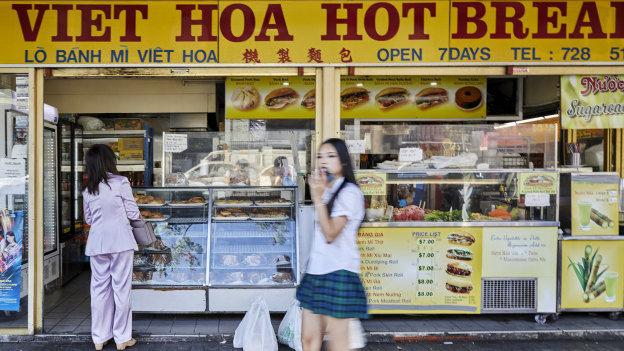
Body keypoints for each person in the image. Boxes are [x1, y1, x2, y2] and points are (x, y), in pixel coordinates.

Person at [296, 138, 367, 351]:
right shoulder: (327, 190)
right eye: (320, 156)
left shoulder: (349, 193)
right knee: (308, 340)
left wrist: (317, 198)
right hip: (316, 271)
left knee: (339, 345)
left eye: (330, 156)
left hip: (340, 272)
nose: (323, 161)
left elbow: (330, 234)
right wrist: (320, 194)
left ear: (343, 161)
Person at [82, 144, 139, 351]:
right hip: (121, 241)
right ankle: (122, 338)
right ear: (109, 161)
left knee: (99, 290)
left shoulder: (87, 189)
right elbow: (133, 213)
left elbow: (88, 218)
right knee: (121, 289)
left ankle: (99, 338)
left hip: (97, 243)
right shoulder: (121, 182)